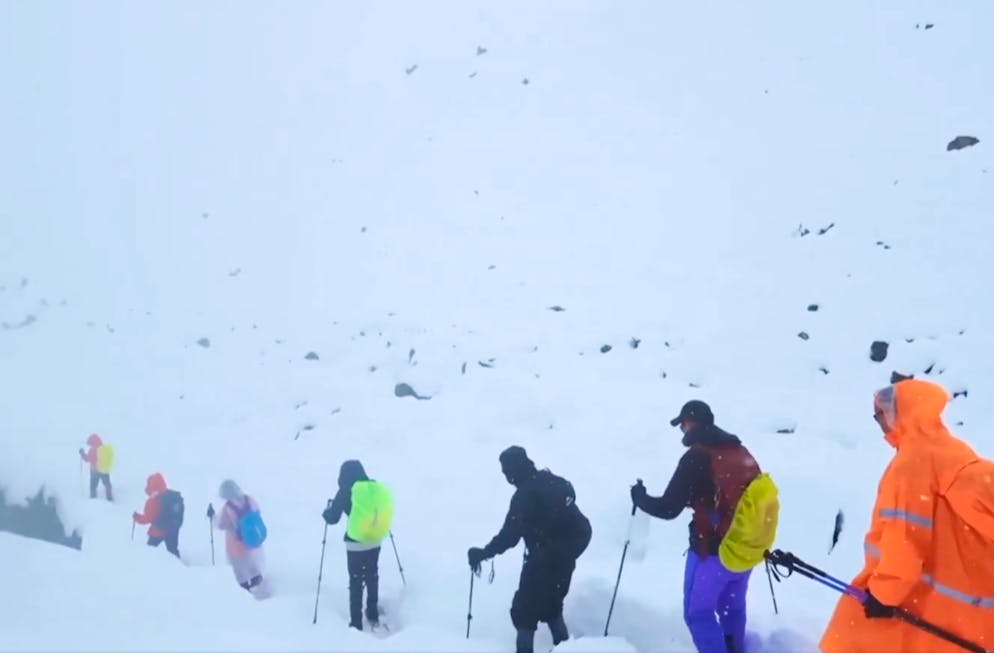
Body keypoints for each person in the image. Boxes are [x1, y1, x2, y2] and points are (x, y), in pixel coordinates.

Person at [820, 378, 994, 653]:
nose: (881, 425)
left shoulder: (912, 463)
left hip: (924, 597)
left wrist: (884, 594)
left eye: (882, 415)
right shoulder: (954, 449)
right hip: (965, 594)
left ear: (904, 413)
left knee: (851, 636)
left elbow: (906, 536)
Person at [631, 400, 768, 653]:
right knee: (732, 608)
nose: (682, 430)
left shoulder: (696, 457)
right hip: (745, 548)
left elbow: (668, 508)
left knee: (698, 613)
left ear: (691, 423)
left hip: (712, 551)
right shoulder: (739, 451)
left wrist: (640, 498)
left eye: (682, 425)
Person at [467, 446, 592, 653]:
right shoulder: (551, 481)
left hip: (542, 564)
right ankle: (565, 648)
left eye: (506, 471)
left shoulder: (524, 496)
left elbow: (509, 537)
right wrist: (563, 555)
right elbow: (581, 526)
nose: (505, 475)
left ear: (514, 470)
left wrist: (483, 553)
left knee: (524, 613)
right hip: (565, 562)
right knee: (552, 607)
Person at [322, 460, 394, 631]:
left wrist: (327, 511)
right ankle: (373, 612)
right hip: (375, 540)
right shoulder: (374, 487)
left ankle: (356, 622)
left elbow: (333, 518)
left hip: (355, 543)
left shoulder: (346, 490)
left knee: (356, 580)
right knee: (372, 574)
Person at [216, 480, 266, 593]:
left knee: (239, 570)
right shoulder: (249, 499)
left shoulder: (228, 507)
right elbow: (257, 511)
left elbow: (221, 524)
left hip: (236, 545)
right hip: (251, 540)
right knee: (251, 565)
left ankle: (245, 593)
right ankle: (261, 587)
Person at [133, 472, 183, 558]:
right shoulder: (170, 495)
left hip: (158, 530)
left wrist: (137, 517)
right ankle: (179, 567)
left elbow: (148, 518)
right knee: (173, 550)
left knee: (149, 551)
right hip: (173, 529)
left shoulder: (153, 501)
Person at [78, 433, 113, 501]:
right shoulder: (104, 448)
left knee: (93, 486)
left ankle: (93, 499)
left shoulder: (93, 450)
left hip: (95, 471)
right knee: (107, 484)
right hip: (104, 469)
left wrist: (82, 453)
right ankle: (109, 498)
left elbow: (87, 459)